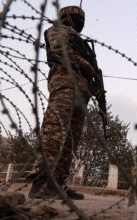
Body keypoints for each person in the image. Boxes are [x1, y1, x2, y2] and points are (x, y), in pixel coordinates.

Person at [28, 6, 99, 200]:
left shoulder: (83, 43)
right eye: (75, 17)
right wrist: (88, 66)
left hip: (82, 92)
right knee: (55, 132)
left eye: (80, 19)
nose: (78, 21)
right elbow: (60, 52)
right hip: (65, 84)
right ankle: (42, 182)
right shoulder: (58, 30)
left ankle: (58, 183)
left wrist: (95, 87)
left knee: (71, 140)